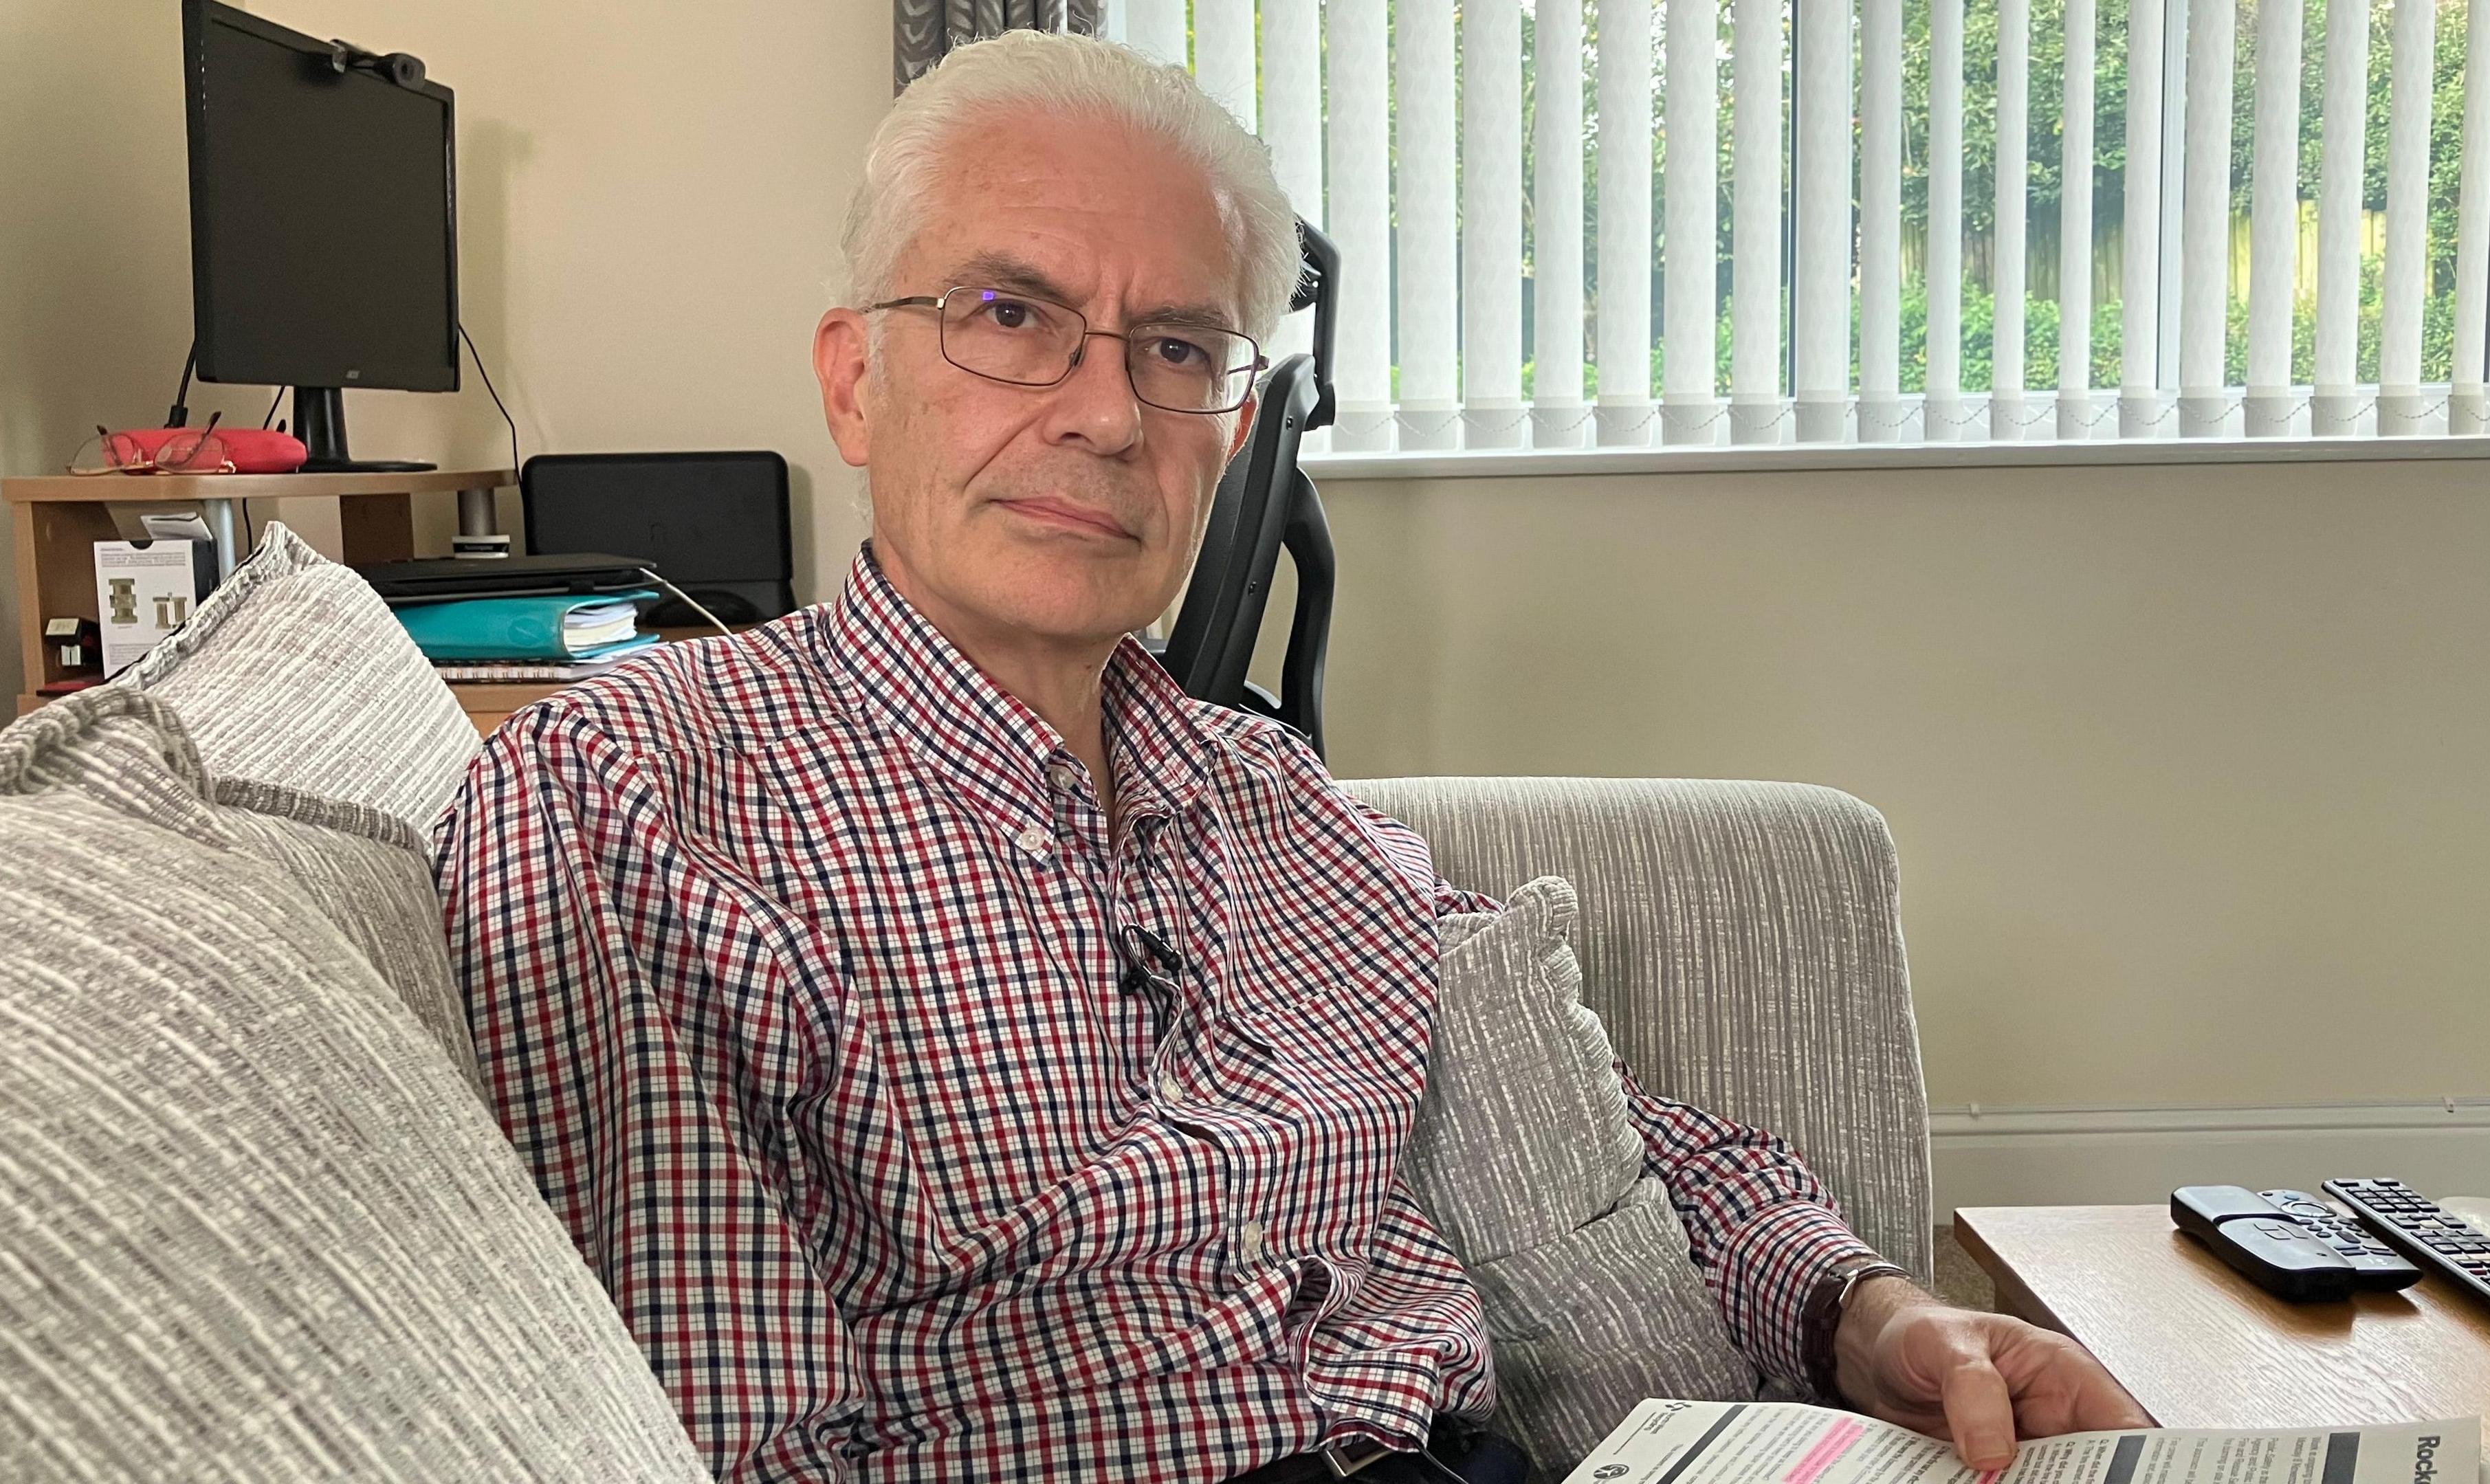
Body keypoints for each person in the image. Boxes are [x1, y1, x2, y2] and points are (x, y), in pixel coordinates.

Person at [434, 30, 2148, 1484]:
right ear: (854, 380)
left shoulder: (1281, 801)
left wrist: (1872, 1311)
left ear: (1226, 425)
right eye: (1011, 316)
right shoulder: (631, 797)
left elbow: (1612, 1126)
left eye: (1174, 349)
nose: (1105, 412)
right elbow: (713, 1434)